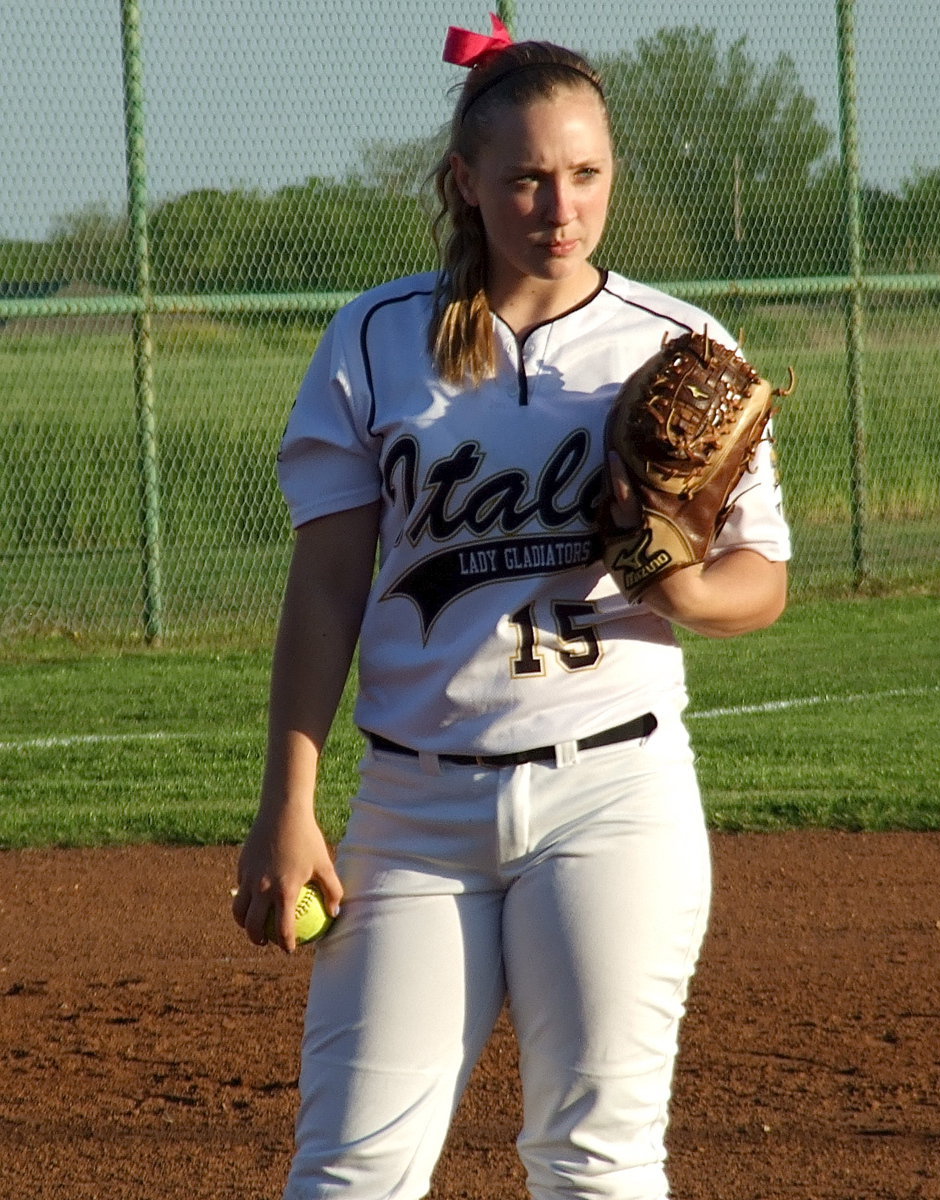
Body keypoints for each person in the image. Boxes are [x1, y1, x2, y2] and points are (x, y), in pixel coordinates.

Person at [232, 15, 790, 1200]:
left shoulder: (676, 343)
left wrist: (682, 585)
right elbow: (325, 589)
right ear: (465, 182)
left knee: (597, 1163)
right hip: (413, 801)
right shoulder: (375, 340)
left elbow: (762, 583)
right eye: (529, 176)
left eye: (585, 174)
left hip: (615, 791)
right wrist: (289, 801)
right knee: (348, 1168)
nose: (560, 205)